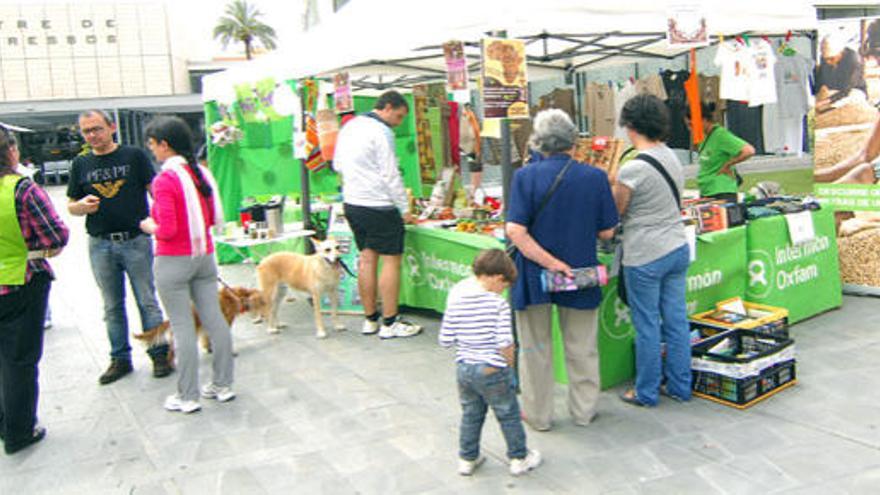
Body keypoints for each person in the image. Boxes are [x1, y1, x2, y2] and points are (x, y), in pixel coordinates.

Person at [505, 109, 619, 431]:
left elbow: (515, 230)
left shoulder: (524, 177)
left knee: (535, 349)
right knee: (582, 347)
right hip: (579, 273)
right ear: (573, 140)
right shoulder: (594, 177)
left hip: (532, 273)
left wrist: (550, 262)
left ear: (539, 142)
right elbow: (608, 232)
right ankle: (584, 411)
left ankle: (539, 416)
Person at [67, 110, 171, 384]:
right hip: (100, 244)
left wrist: (162, 222)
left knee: (147, 300)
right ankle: (119, 358)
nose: (93, 135)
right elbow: (71, 205)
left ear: (111, 127)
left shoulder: (133, 156)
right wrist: (81, 206)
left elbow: (155, 191)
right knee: (112, 305)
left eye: (97, 128)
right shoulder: (81, 164)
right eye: (87, 131)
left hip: (135, 240)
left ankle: (159, 353)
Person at [139, 116, 234, 414]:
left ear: (165, 145)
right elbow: (213, 217)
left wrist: (147, 225)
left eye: (153, 145)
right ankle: (223, 384)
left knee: (182, 327)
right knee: (214, 320)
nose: (152, 151)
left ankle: (188, 395)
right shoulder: (201, 174)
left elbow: (166, 229)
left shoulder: (165, 180)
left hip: (173, 261)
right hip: (204, 257)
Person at [612, 94, 691, 407]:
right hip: (676, 246)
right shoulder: (671, 155)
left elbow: (617, 212)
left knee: (647, 326)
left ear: (630, 126)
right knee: (676, 321)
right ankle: (680, 386)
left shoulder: (632, 169)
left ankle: (645, 391)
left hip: (645, 253)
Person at [439, 249, 541, 477]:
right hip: (492, 368)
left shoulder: (456, 298)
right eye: (504, 284)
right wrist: (509, 367)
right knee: (508, 414)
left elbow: (445, 340)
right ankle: (519, 457)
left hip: (464, 368)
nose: (504, 289)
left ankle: (467, 458)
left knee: (471, 414)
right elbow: (505, 341)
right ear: (495, 277)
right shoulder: (498, 305)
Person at [0, 126, 69, 454]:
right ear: (11, 151)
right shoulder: (22, 189)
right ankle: (19, 431)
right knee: (20, 360)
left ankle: (4, 423)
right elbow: (55, 236)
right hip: (21, 282)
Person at [333, 91, 422, 339]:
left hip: (353, 203)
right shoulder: (382, 132)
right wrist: (404, 208)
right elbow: (390, 173)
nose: (399, 122)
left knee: (367, 258)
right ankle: (390, 322)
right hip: (380, 204)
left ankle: (370, 319)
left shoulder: (349, 127)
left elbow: (337, 165)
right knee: (391, 260)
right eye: (399, 115)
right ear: (388, 107)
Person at [815, 20, 880, 186]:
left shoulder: (853, 61)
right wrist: (816, 178)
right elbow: (866, 157)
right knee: (863, 173)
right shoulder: (825, 63)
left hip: (851, 94)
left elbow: (847, 89)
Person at [686, 101, 755, 203]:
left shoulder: (720, 135)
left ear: (703, 120)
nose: (689, 129)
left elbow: (749, 151)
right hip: (707, 190)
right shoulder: (704, 136)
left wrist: (728, 164)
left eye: (691, 124)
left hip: (721, 191)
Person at [816, 32, 867, 112]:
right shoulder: (825, 59)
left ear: (841, 53)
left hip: (851, 92)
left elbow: (847, 90)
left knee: (853, 96)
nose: (828, 62)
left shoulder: (853, 60)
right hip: (832, 93)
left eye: (831, 59)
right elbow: (819, 80)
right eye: (826, 59)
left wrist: (823, 102)